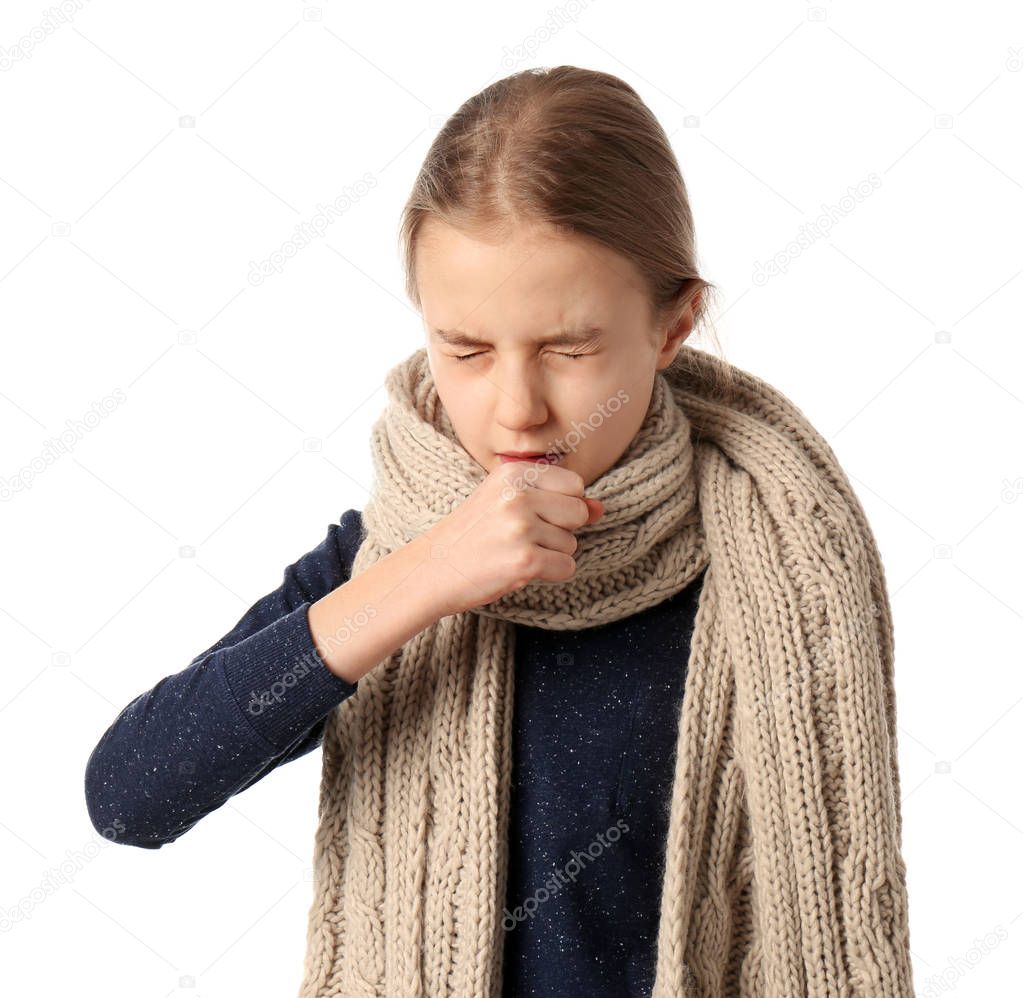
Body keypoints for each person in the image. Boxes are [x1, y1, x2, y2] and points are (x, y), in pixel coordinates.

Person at [84, 65, 914, 997]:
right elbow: (129, 797)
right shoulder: (385, 557)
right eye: (467, 351)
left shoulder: (777, 564)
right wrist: (425, 575)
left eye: (566, 350)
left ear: (674, 325)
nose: (516, 410)